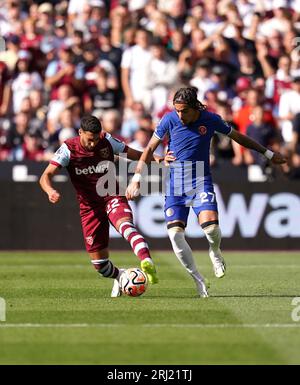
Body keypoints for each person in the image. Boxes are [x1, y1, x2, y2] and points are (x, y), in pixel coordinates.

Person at [126, 87, 286, 297]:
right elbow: (148, 149)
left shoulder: (210, 119)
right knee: (175, 235)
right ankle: (198, 280)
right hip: (175, 184)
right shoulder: (169, 119)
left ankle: (215, 252)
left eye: (184, 111)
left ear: (194, 108)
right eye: (177, 110)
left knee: (210, 229)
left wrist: (268, 153)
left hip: (200, 179)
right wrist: (137, 179)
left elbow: (238, 137)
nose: (180, 115)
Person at [40, 115, 161, 297]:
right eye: (89, 139)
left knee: (126, 227)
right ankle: (121, 276)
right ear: (80, 132)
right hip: (89, 207)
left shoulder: (107, 141)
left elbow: (132, 153)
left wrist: (157, 158)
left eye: (96, 139)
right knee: (100, 265)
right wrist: (50, 191)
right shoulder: (68, 149)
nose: (93, 144)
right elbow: (45, 176)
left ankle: (147, 261)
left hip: (112, 195)